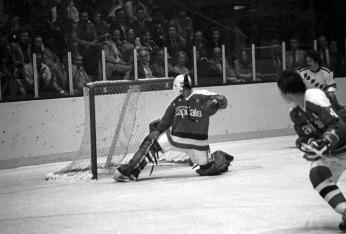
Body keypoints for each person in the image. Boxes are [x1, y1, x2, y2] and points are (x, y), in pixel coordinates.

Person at [113, 74, 233, 182]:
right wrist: (157, 130)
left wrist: (216, 102)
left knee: (206, 169)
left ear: (177, 86)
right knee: (152, 144)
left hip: (189, 142)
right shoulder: (178, 101)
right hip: (181, 140)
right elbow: (166, 121)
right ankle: (132, 170)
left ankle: (130, 169)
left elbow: (222, 99)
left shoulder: (200, 95)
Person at [277, 70, 346, 231]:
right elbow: (303, 136)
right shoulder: (294, 113)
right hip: (334, 150)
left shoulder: (315, 97)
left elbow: (338, 125)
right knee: (318, 175)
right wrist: (307, 144)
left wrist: (324, 141)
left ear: (287, 93)